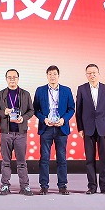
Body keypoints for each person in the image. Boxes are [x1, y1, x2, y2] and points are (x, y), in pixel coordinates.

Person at [33, 65, 75, 195]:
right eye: (50, 74)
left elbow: (71, 109)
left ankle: (62, 186)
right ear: (47, 76)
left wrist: (64, 119)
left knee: (61, 158)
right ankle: (44, 186)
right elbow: (35, 109)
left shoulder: (66, 90)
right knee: (44, 158)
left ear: (58, 76)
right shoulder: (40, 90)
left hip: (61, 128)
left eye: (55, 74)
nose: (52, 76)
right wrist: (43, 119)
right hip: (46, 128)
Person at [0, 68, 34, 196]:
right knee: (6, 161)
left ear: (18, 79)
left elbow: (31, 111)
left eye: (14, 77)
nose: (12, 79)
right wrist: (3, 112)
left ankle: (25, 186)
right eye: (9, 77)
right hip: (6, 132)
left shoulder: (25, 94)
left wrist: (24, 118)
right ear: (6, 79)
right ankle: (5, 186)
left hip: (21, 132)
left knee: (22, 162)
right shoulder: (0, 94)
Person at [75, 63, 105, 195]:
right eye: (89, 73)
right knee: (89, 159)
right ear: (86, 75)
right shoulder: (81, 89)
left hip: (103, 129)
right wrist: (80, 128)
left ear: (98, 74)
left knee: (104, 159)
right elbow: (78, 111)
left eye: (94, 72)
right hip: (88, 128)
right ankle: (92, 186)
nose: (92, 75)